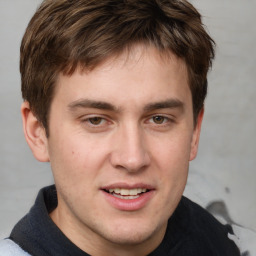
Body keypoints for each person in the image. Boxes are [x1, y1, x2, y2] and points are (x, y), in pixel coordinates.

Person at [0, 0, 241, 255]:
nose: (132, 158)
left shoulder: (231, 245)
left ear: (194, 132)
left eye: (158, 119)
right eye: (95, 120)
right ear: (38, 133)